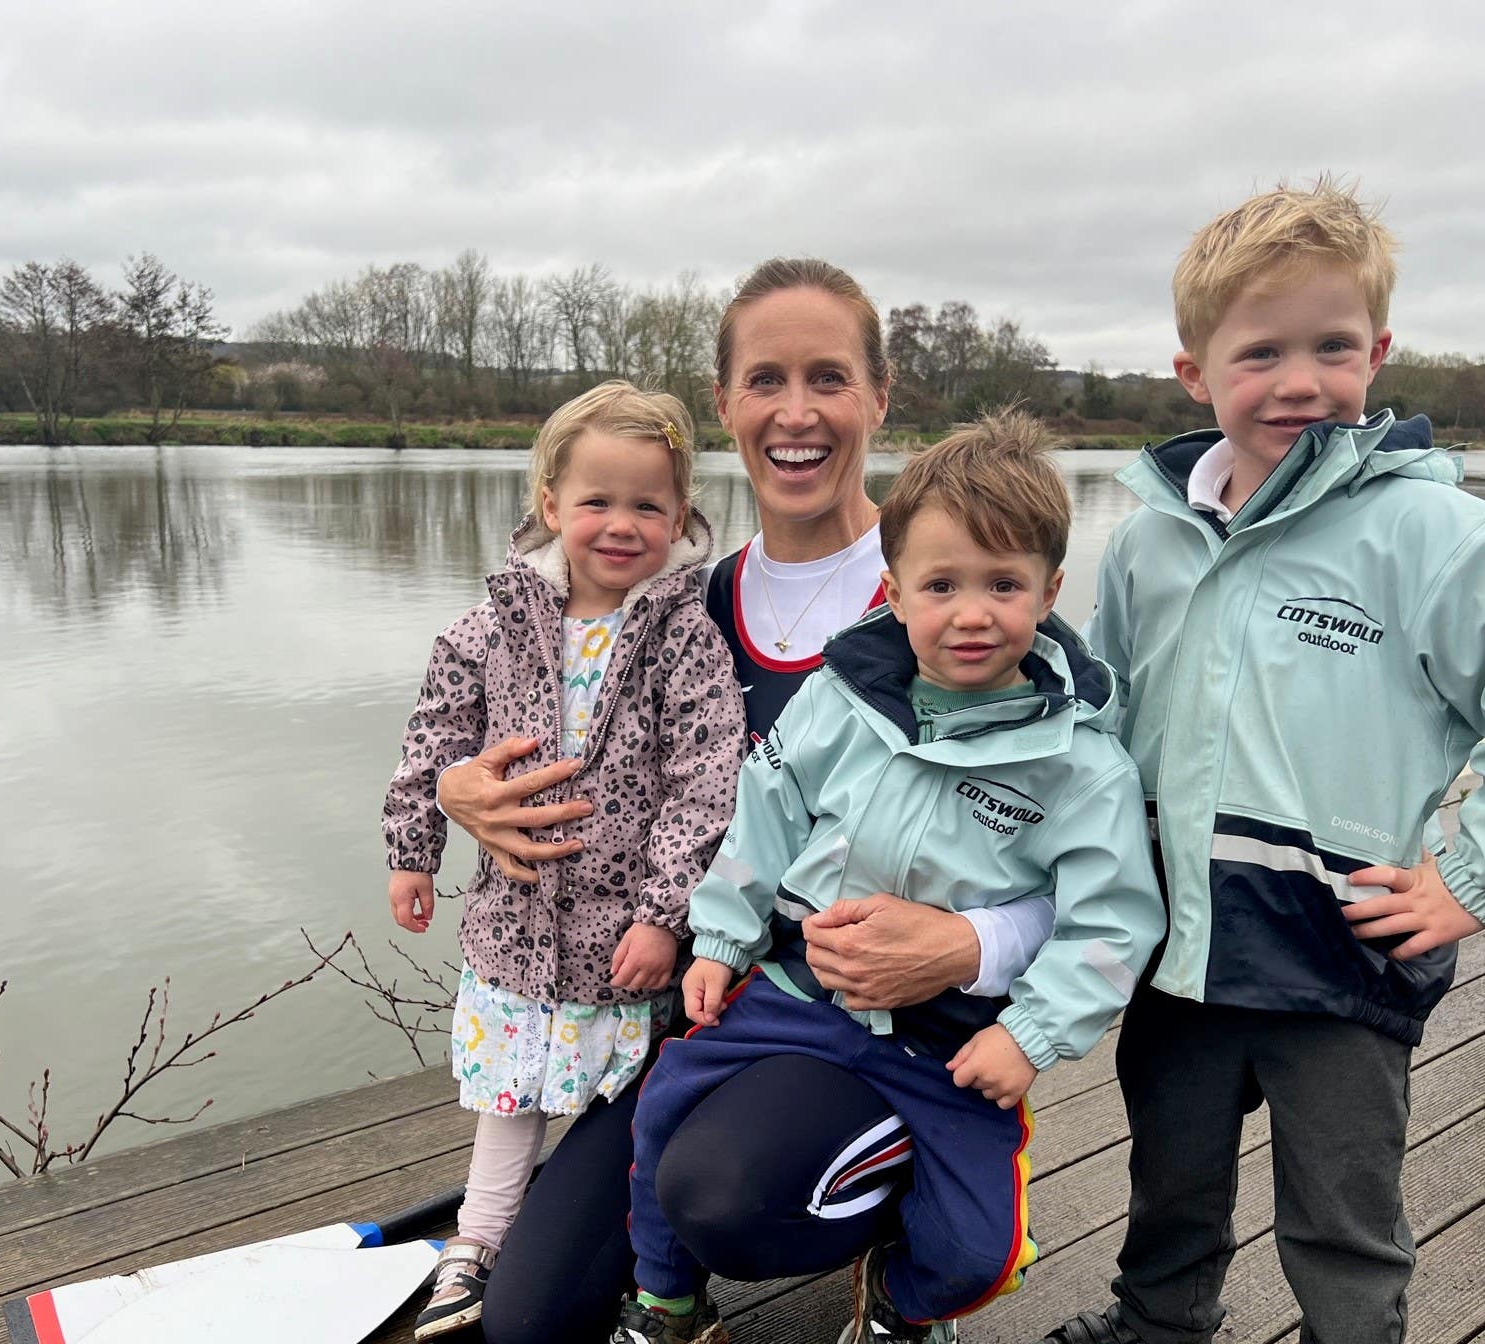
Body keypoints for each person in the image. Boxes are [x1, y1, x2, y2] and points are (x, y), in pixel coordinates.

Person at [1044, 179, 1485, 1344]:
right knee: (1169, 1182)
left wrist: (1469, 879)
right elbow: (1098, 723)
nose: (1300, 381)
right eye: (1260, 351)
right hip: (1177, 954)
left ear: (1377, 352)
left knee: (1341, 1213)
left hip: (1343, 957)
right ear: (1195, 373)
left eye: (1332, 346)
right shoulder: (1149, 542)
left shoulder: (1435, 536)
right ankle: (1159, 1324)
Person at [437, 260, 1002, 1344]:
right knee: (529, 1320)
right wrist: (464, 788)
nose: (797, 414)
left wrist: (967, 946)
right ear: (728, 404)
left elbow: (1075, 842)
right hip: (684, 1004)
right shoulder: (680, 603)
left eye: (829, 378)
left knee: (731, 1197)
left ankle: (908, 1236)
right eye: (766, 381)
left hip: (869, 1015)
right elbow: (508, 705)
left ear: (880, 398)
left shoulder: (953, 598)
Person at [610, 415, 1166, 1344]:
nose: (972, 613)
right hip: (801, 995)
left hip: (950, 1041)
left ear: (1051, 591)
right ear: (894, 591)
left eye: (1003, 584)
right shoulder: (840, 699)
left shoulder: (1083, 767)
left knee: (982, 1252)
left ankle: (900, 1311)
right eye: (941, 584)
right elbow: (765, 815)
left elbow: (1112, 925)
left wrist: (1028, 1036)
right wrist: (718, 938)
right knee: (664, 1109)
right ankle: (666, 1302)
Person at [382, 380, 747, 1339]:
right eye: (597, 501)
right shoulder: (490, 624)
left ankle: (650, 1263)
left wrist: (665, 916)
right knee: (508, 1092)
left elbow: (705, 787)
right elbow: (433, 741)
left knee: (617, 1091)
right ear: (550, 504)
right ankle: (483, 1231)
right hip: (514, 922)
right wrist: (413, 848)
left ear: (682, 519)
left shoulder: (686, 641)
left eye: (648, 506)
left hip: (624, 935)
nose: (621, 525)